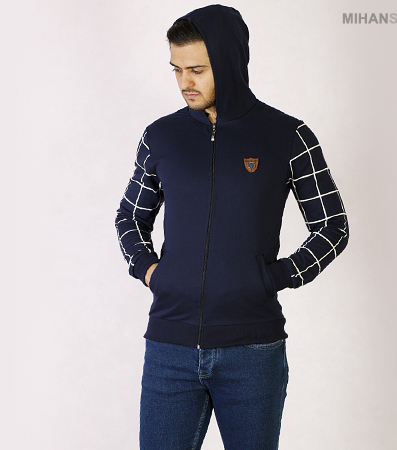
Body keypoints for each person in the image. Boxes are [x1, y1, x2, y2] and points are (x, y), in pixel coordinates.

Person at [115, 5, 348, 450]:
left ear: (228, 62)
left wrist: (273, 277)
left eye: (197, 70)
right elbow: (130, 216)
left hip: (252, 351)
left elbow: (332, 226)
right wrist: (149, 270)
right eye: (177, 69)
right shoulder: (161, 136)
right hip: (169, 347)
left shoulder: (288, 135)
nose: (185, 82)